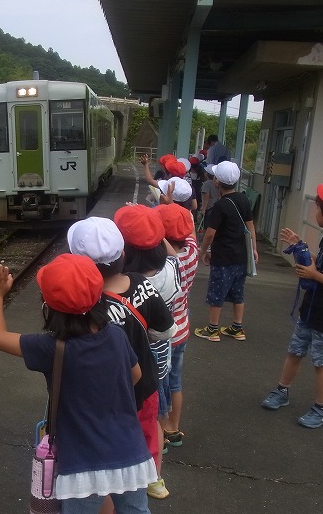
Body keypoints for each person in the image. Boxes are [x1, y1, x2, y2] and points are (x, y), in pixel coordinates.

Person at [0, 253, 157, 512]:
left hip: (83, 464)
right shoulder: (116, 336)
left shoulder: (50, 348)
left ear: (48, 305)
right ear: (99, 296)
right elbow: (136, 376)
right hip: (129, 454)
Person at [66, 217, 175, 510]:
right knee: (142, 441)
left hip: (101, 403)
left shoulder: (81, 308)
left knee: (103, 459)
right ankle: (147, 481)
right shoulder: (141, 283)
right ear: (123, 253)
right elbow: (166, 331)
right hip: (143, 391)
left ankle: (107, 502)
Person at [261, 183, 323, 429]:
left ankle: (322, 408)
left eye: (318, 208)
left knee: (321, 362)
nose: (314, 212)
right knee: (295, 350)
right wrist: (302, 246)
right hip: (311, 309)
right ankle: (282, 391)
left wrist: (314, 275)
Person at [114, 204, 180, 499]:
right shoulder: (172, 268)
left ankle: (124, 474)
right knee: (152, 421)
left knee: (130, 419)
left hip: (134, 366)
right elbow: (166, 330)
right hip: (160, 360)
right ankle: (153, 477)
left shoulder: (130, 284)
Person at [194, 161, 258, 342]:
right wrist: (253, 248)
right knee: (238, 292)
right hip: (241, 257)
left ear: (217, 181)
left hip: (223, 257)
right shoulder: (244, 199)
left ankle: (212, 329)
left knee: (217, 292)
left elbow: (210, 234)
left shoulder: (220, 206)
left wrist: (203, 251)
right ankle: (237, 328)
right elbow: (251, 226)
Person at [154, 204, 199, 449]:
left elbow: (167, 250)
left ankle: (159, 431)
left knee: (161, 383)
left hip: (165, 334)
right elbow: (188, 231)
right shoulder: (192, 251)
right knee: (176, 382)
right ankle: (174, 428)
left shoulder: (166, 265)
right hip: (182, 327)